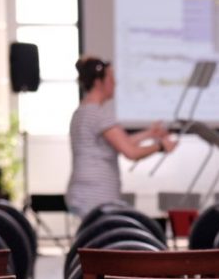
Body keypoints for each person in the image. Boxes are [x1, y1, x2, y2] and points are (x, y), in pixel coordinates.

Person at [66, 56, 177, 217]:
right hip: (96, 196)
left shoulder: (82, 112)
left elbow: (118, 142)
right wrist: (161, 147)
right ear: (99, 82)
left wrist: (149, 134)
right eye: (111, 78)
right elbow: (130, 152)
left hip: (82, 193)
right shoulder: (99, 114)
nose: (115, 83)